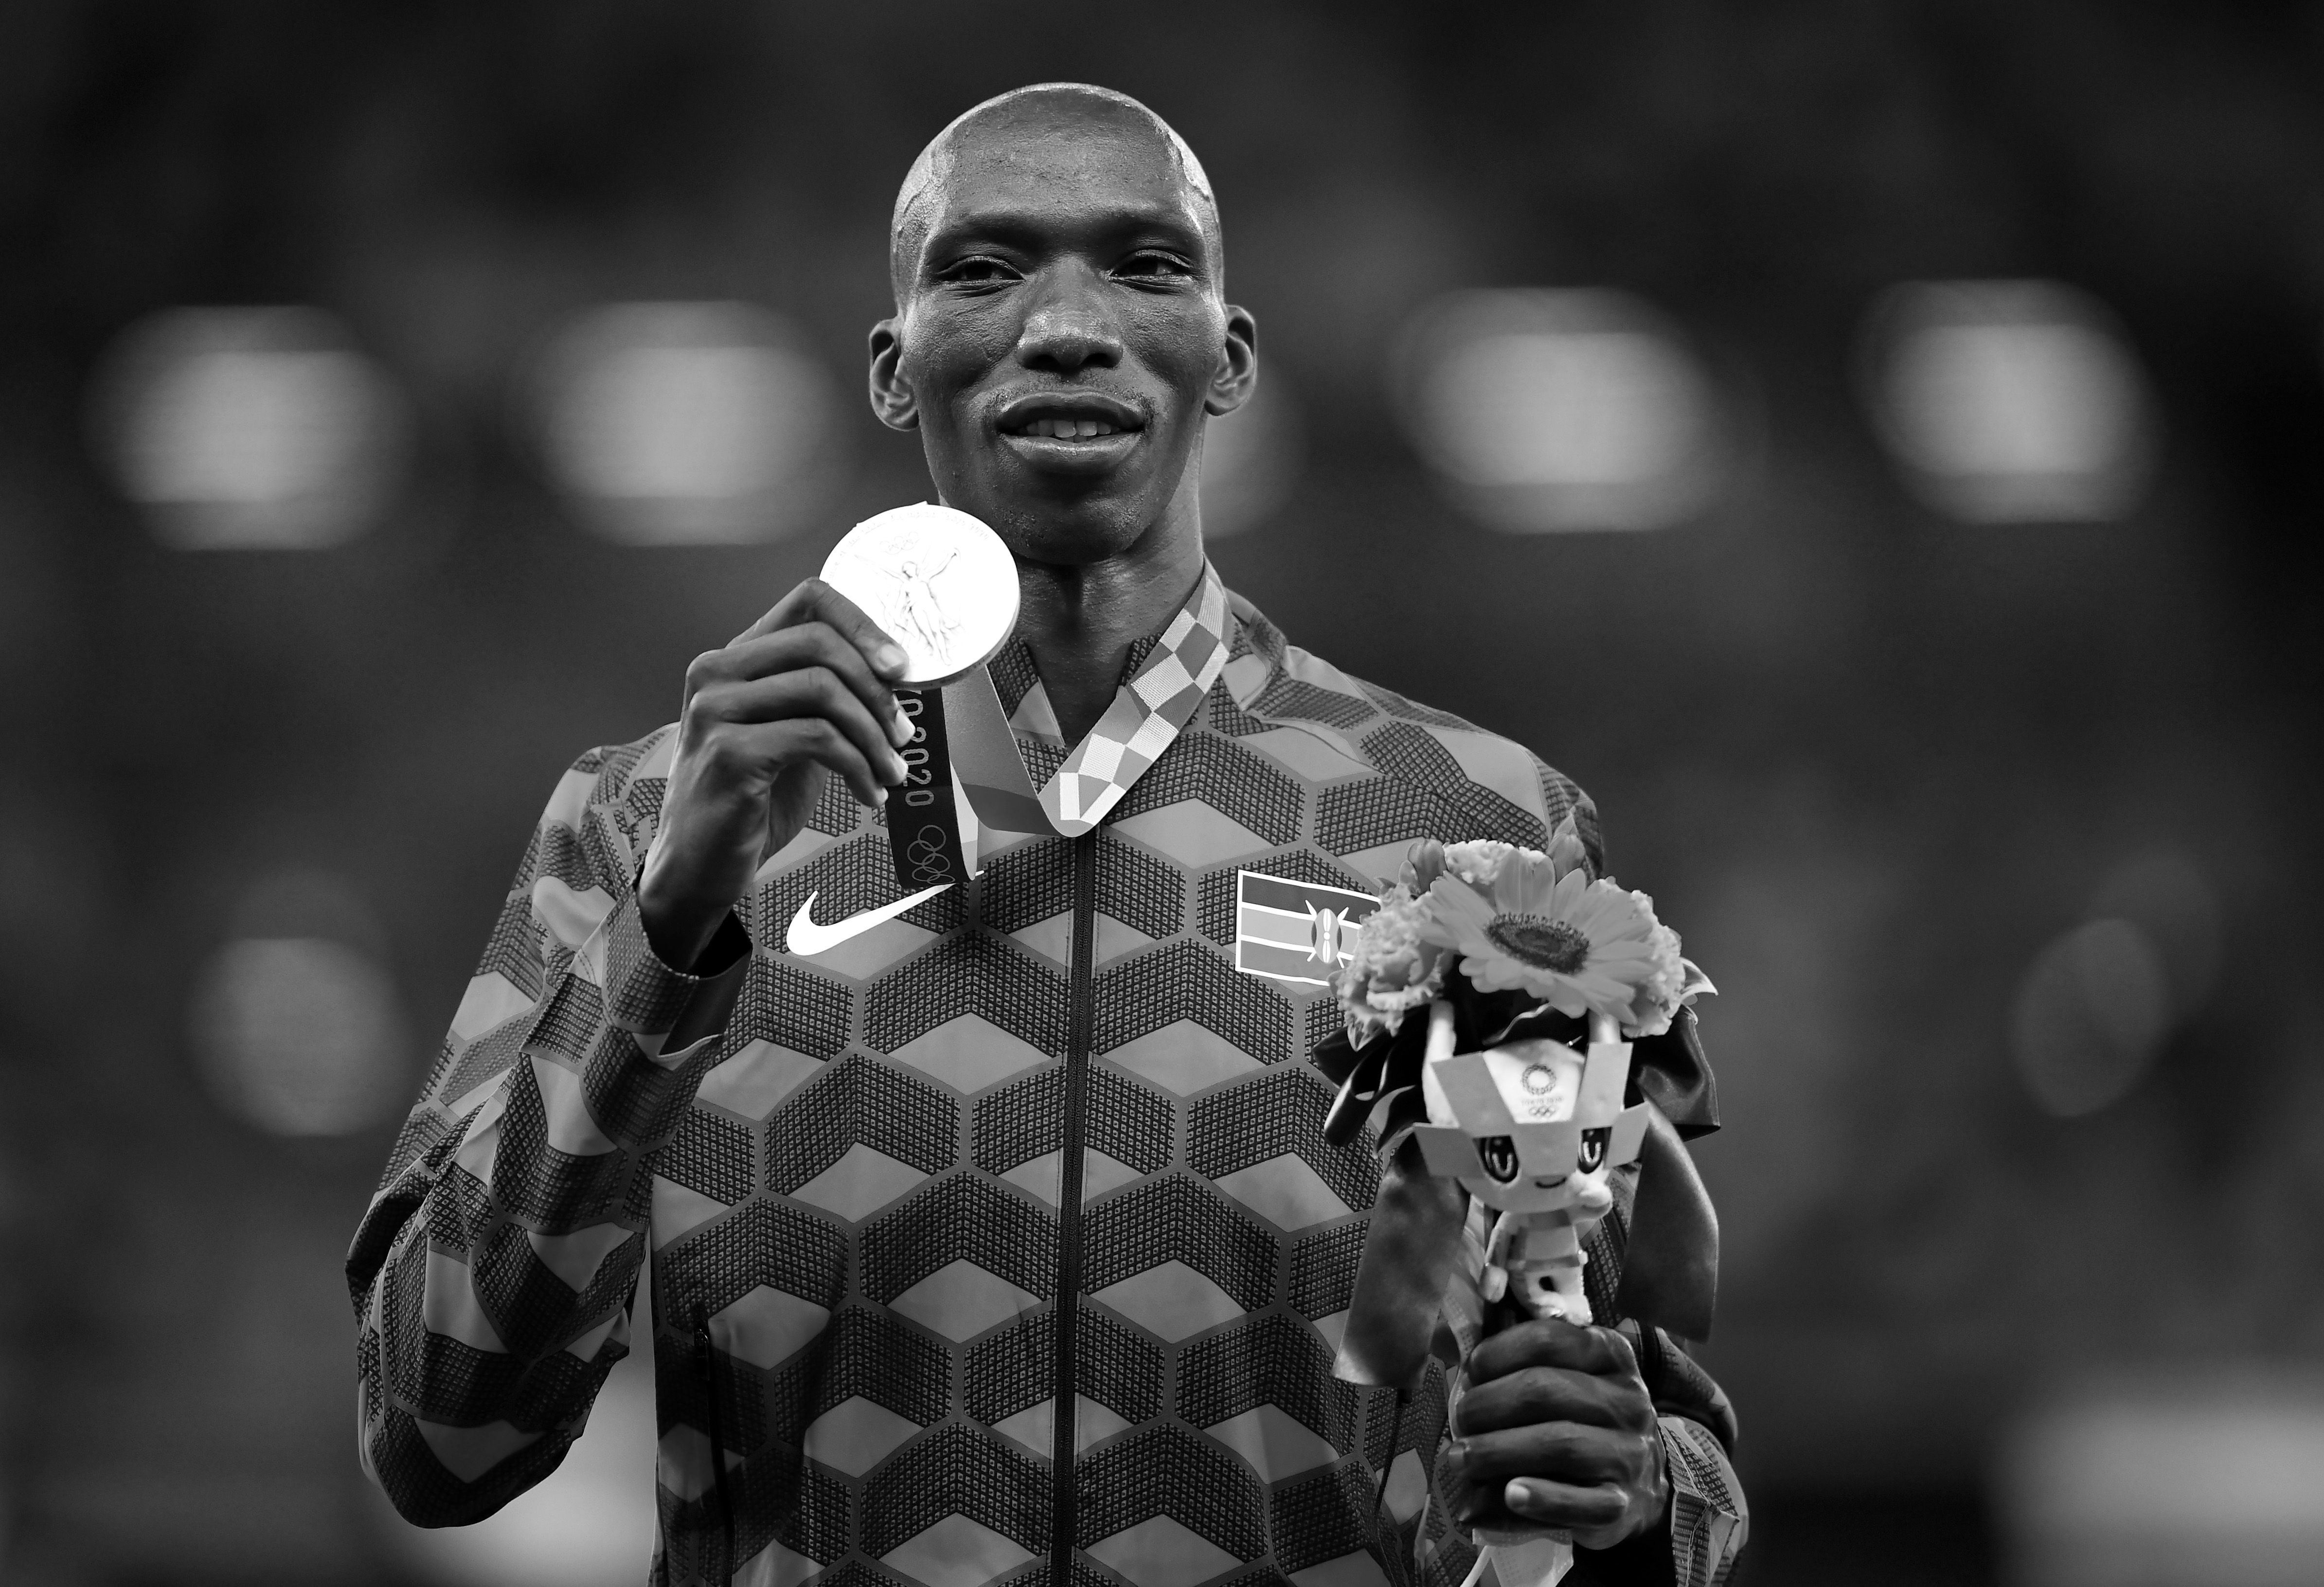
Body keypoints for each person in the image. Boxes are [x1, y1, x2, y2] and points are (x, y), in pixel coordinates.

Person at [348, 82, 1748, 1587]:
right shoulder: (645, 822)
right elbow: (438, 1440)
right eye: (984, 267)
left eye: (1145, 265)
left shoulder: (1475, 834)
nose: (1068, 322)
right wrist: (670, 937)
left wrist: (1620, 1494)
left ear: (1230, 356)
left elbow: (1669, 1467)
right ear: (893, 370)